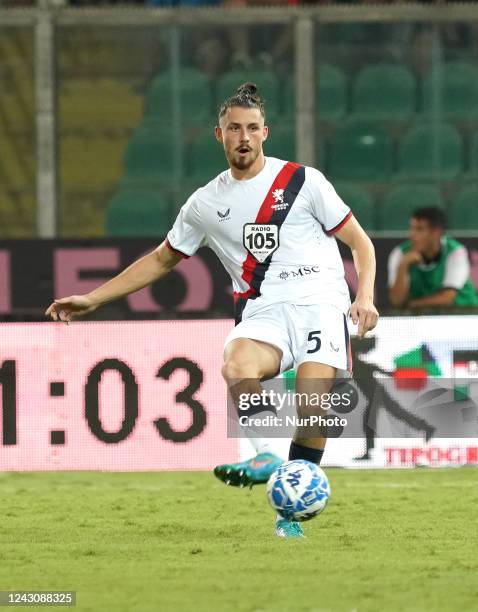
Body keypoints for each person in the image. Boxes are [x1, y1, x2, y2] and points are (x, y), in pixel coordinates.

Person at [46, 83, 379, 538]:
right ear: (218, 134)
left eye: (251, 128)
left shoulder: (303, 181)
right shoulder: (204, 203)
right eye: (233, 128)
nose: (243, 136)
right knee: (236, 364)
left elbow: (360, 242)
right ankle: (265, 454)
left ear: (265, 132)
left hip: (321, 303)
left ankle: (288, 519)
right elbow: (162, 258)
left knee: (313, 411)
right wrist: (93, 297)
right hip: (263, 309)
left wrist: (365, 296)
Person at [388, 207, 478, 309]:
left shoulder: (455, 252)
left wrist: (410, 305)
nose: (411, 234)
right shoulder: (399, 253)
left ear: (436, 232)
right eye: (411, 228)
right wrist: (403, 266)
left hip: (465, 314)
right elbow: (396, 301)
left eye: (419, 229)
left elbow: (447, 298)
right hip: (423, 317)